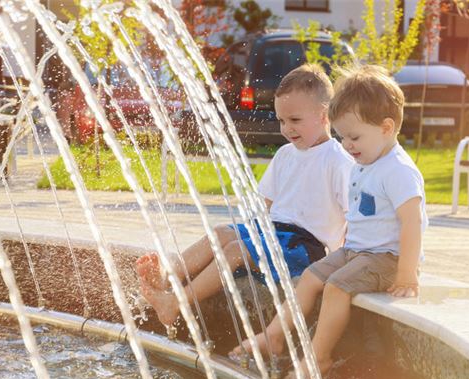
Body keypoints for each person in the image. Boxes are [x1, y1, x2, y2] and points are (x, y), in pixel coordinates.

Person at [231, 65, 428, 379]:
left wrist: (407, 273)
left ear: (387, 127)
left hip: (387, 259)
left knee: (336, 288)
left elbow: (412, 223)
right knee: (309, 278)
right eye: (342, 137)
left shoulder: (398, 170)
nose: (348, 146)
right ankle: (272, 336)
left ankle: (318, 357)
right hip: (358, 252)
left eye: (354, 137)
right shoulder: (368, 161)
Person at [136, 64, 354, 327]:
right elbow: (264, 205)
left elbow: (352, 216)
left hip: (306, 247)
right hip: (274, 233)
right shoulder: (285, 154)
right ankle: (167, 276)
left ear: (324, 115)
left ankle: (176, 302)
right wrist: (246, 231)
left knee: (235, 251)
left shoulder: (338, 161)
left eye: (295, 120)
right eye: (281, 120)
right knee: (221, 234)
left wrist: (346, 262)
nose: (287, 129)